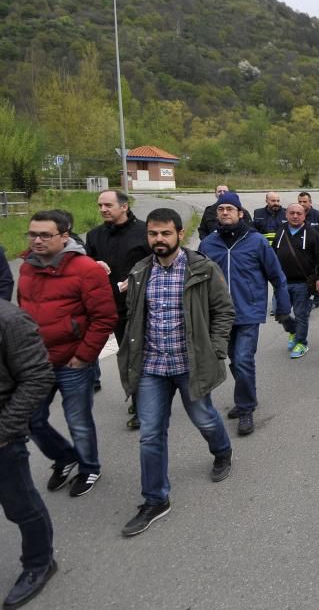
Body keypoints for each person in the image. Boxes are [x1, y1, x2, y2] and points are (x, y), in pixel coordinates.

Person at [117, 208, 236, 537]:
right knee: (151, 434)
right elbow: (133, 319)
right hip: (152, 368)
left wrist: (215, 350)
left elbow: (224, 311)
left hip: (191, 364)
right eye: (153, 234)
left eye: (165, 233)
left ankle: (222, 451)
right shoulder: (141, 272)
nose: (159, 239)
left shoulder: (202, 268)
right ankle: (155, 499)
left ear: (179, 235)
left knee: (205, 418)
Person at [19, 210, 117, 498]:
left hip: (73, 362)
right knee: (30, 419)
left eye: (45, 235)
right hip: (36, 362)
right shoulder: (26, 266)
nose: (37, 240)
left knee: (78, 420)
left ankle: (89, 467)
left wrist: (85, 355)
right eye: (33, 234)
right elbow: (23, 312)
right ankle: (64, 457)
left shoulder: (87, 269)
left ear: (64, 236)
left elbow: (105, 318)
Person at [199, 191, 291, 436]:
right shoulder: (208, 244)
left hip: (248, 311)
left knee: (242, 359)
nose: (225, 212)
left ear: (240, 213)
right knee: (233, 360)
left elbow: (277, 276)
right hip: (218, 315)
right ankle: (245, 396)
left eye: (230, 208)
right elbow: (196, 281)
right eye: (221, 209)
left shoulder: (256, 241)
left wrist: (283, 310)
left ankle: (246, 407)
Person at [0, 299, 58, 609]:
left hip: (4, 439)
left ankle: (39, 563)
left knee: (20, 504)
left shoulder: (9, 321)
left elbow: (37, 378)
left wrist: (4, 430)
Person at [85, 189, 150, 427]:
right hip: (107, 307)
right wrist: (93, 264)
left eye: (108, 205)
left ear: (124, 206)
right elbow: (83, 266)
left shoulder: (145, 232)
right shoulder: (94, 236)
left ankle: (143, 405)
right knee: (126, 356)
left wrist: (137, 278)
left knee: (138, 355)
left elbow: (160, 262)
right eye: (100, 205)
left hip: (141, 304)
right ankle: (138, 396)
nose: (103, 209)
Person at [272, 203, 319, 359]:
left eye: (299, 213)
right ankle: (293, 331)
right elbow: (273, 254)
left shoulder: (313, 234)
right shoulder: (281, 231)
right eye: (292, 213)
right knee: (279, 312)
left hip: (303, 282)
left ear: (304, 215)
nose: (295, 216)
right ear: (286, 215)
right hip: (282, 283)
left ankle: (301, 343)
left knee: (301, 314)